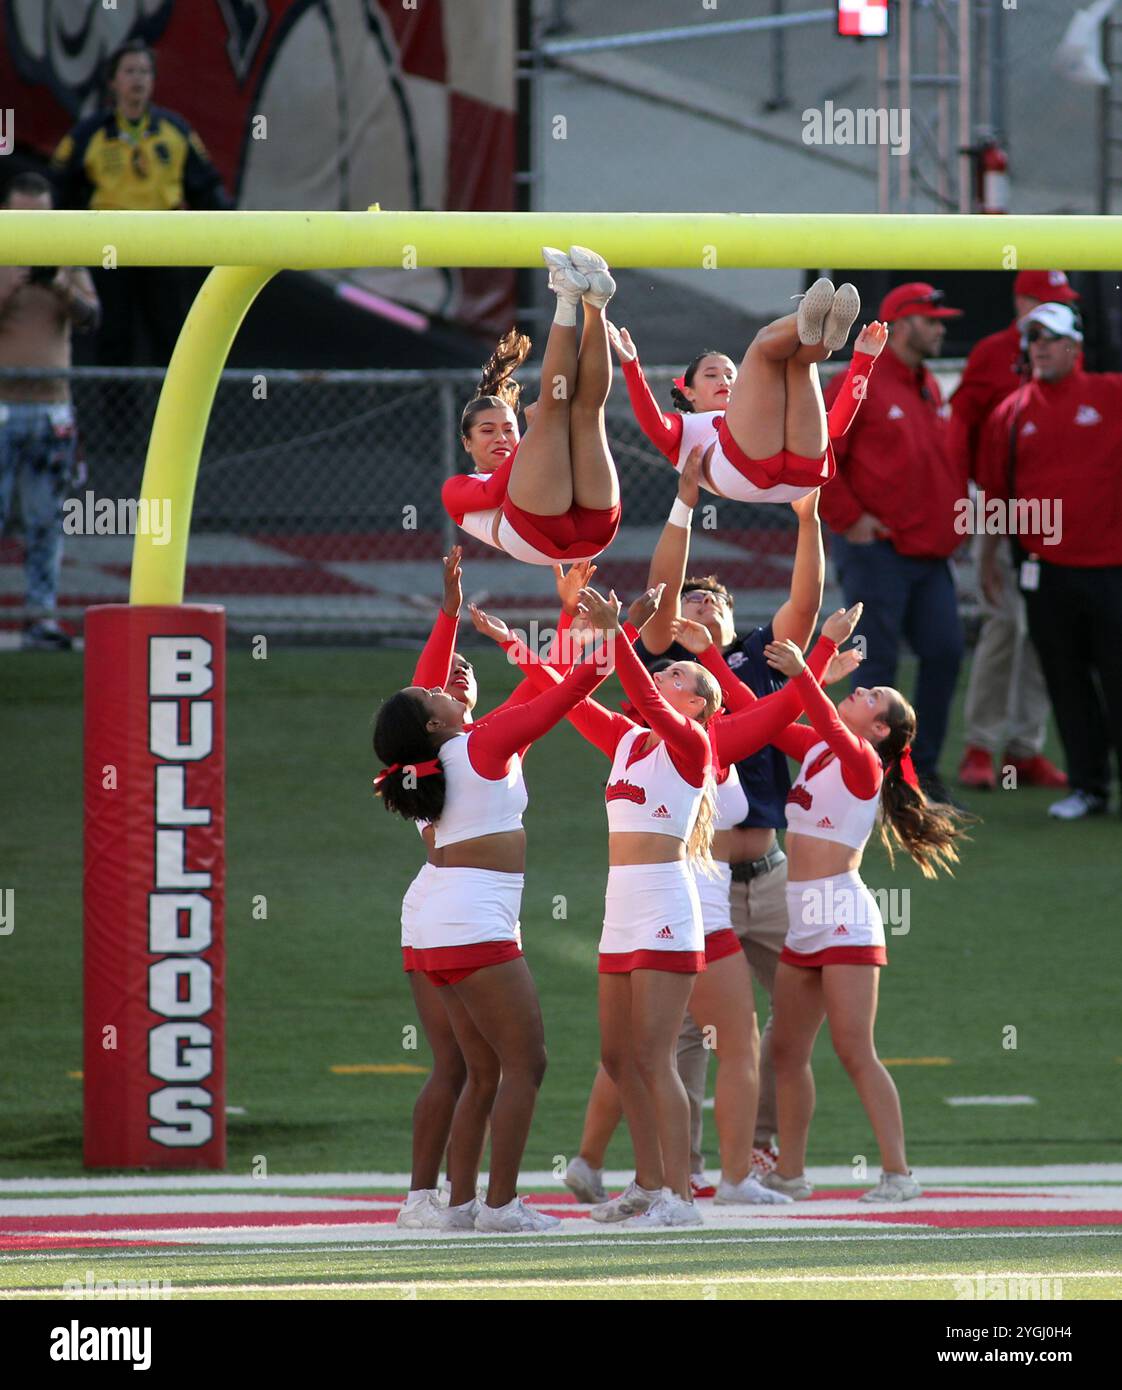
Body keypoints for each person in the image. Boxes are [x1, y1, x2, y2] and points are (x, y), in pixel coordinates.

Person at [476, 589, 851, 1225]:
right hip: (619, 908)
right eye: (664, 665)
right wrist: (512, 642)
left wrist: (618, 628)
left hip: (667, 907)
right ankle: (647, 1186)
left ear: (699, 703)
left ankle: (679, 1197)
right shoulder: (627, 740)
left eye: (677, 672)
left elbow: (646, 695)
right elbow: (562, 699)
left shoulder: (694, 746)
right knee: (620, 1058)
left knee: (654, 1055)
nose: (663, 671)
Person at [562, 452, 853, 1203]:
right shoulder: (662, 686)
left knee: (760, 1039)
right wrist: (685, 502)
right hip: (691, 884)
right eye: (682, 610)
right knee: (657, 1047)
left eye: (707, 607)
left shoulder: (753, 663)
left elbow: (803, 605)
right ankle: (651, 1174)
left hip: (761, 874)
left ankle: (744, 1170)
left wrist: (809, 518)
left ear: (728, 618)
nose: (692, 617)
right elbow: (620, 647)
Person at [373, 608, 614, 1233]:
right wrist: (619, 633)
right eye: (438, 691)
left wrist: (458, 611)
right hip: (471, 916)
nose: (448, 682)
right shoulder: (479, 743)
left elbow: (538, 687)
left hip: (441, 914)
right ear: (435, 719)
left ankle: (455, 1206)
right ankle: (501, 1206)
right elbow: (562, 692)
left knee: (477, 1068)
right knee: (525, 1062)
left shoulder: (440, 756)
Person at [758, 626, 969, 1203]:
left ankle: (898, 1174)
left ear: (880, 732)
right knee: (786, 1051)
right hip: (802, 917)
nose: (865, 689)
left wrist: (809, 668)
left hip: (843, 916)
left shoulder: (861, 762)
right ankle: (790, 1173)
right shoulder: (822, 748)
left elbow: (823, 718)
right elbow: (761, 716)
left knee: (854, 1050)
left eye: (875, 697)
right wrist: (708, 655)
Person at [820, 281, 968, 806]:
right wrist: (849, 517)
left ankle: (919, 773)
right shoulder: (860, 381)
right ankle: (871, 781)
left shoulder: (925, 383)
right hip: (876, 551)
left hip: (928, 556)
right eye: (932, 320)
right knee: (876, 667)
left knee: (946, 652)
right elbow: (822, 453)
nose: (941, 328)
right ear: (902, 325)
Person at [975, 302, 1122, 820]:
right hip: (1046, 574)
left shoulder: (1112, 394)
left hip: (1112, 570)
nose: (1040, 345)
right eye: (1032, 337)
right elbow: (996, 492)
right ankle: (1090, 788)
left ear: (1075, 346)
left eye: (1051, 337)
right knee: (1067, 684)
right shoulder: (1011, 413)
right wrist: (988, 559)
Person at [951, 272, 1076, 792]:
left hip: (1058, 511)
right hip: (1002, 505)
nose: (1052, 318)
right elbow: (962, 424)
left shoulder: (1068, 350)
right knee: (1005, 624)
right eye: (1046, 303)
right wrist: (964, 498)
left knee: (1045, 629)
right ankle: (980, 744)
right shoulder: (992, 352)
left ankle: (1025, 748)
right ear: (1022, 302)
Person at [609, 278, 878, 504]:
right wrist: (631, 365)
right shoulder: (683, 426)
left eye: (730, 374)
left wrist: (863, 360)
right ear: (688, 392)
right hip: (743, 475)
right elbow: (652, 424)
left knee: (798, 361)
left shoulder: (755, 408)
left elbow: (835, 428)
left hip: (802, 477)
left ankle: (818, 331)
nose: (723, 381)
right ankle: (808, 318)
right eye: (711, 375)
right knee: (763, 345)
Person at [49, 38, 231, 365]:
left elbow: (207, 187)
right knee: (114, 338)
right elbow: (60, 191)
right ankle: (120, 418)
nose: (138, 79)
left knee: (171, 336)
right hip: (110, 249)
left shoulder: (174, 130)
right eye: (130, 71)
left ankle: (173, 414)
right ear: (113, 81)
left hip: (164, 245)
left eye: (145, 72)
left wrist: (233, 228)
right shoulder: (89, 133)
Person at [441, 247, 621, 565]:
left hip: (584, 528)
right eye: (487, 431)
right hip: (539, 536)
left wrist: (533, 435)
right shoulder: (455, 488)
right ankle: (567, 297)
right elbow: (494, 493)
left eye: (509, 429)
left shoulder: (531, 455)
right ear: (466, 443)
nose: (501, 438)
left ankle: (595, 303)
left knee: (583, 412)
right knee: (565, 411)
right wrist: (534, 432)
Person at [0, 172, 100, 650]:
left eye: (39, 219)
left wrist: (59, 285)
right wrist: (10, 284)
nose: (32, 229)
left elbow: (92, 317)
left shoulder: (67, 250)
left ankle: (39, 618)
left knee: (46, 521)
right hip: (1, 403)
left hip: (51, 407)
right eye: (21, 220)